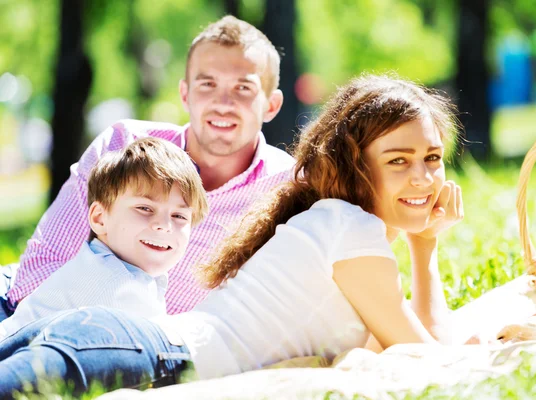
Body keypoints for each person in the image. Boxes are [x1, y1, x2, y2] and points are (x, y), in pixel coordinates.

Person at [0, 74, 473, 395]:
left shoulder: (338, 226)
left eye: (432, 157)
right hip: (144, 351)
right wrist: (423, 246)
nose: (424, 178)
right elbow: (425, 357)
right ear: (354, 163)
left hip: (116, 340)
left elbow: (420, 339)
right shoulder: (351, 227)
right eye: (398, 160)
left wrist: (424, 243)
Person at [0, 15, 295, 320]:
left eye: (243, 88)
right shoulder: (123, 145)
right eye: (207, 84)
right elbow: (37, 273)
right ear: (185, 94)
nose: (223, 102)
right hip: (36, 315)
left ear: (271, 105)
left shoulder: (288, 188)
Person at [0, 138, 208, 339]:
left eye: (179, 216)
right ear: (100, 218)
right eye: (145, 208)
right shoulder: (117, 284)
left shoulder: (101, 261)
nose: (164, 225)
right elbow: (160, 352)